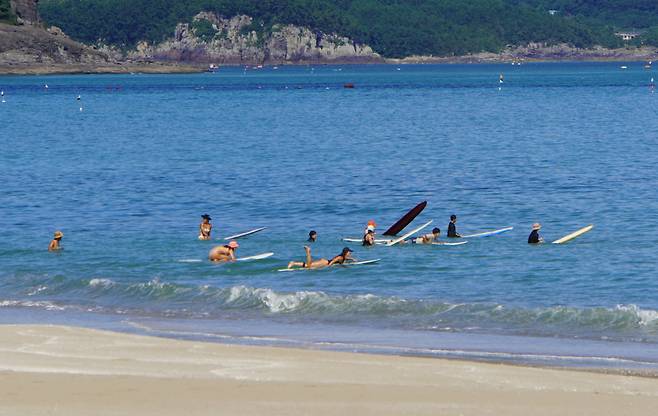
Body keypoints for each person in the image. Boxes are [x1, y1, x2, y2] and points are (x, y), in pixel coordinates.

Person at [287, 246, 353, 269]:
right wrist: (328, 267)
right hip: (325, 263)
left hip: (324, 261)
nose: (350, 254)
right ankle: (308, 251)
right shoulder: (340, 257)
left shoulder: (343, 257)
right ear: (346, 252)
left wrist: (353, 259)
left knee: (307, 265)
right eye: (349, 252)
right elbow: (333, 261)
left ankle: (293, 263)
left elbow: (347, 259)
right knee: (309, 266)